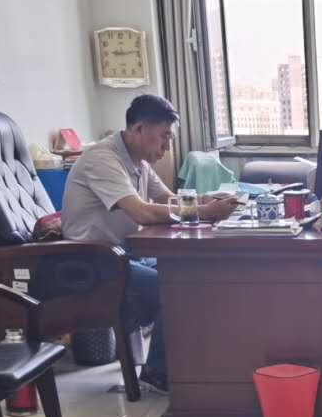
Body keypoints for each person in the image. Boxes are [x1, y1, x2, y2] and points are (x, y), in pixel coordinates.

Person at [61, 94, 236, 393]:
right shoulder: (102, 159)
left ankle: (193, 364)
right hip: (94, 263)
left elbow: (169, 199)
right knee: (176, 289)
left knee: (194, 274)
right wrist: (204, 211)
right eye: (164, 136)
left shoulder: (138, 161)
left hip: (126, 254)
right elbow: (141, 211)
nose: (167, 147)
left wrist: (209, 200)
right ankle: (157, 375)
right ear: (139, 129)